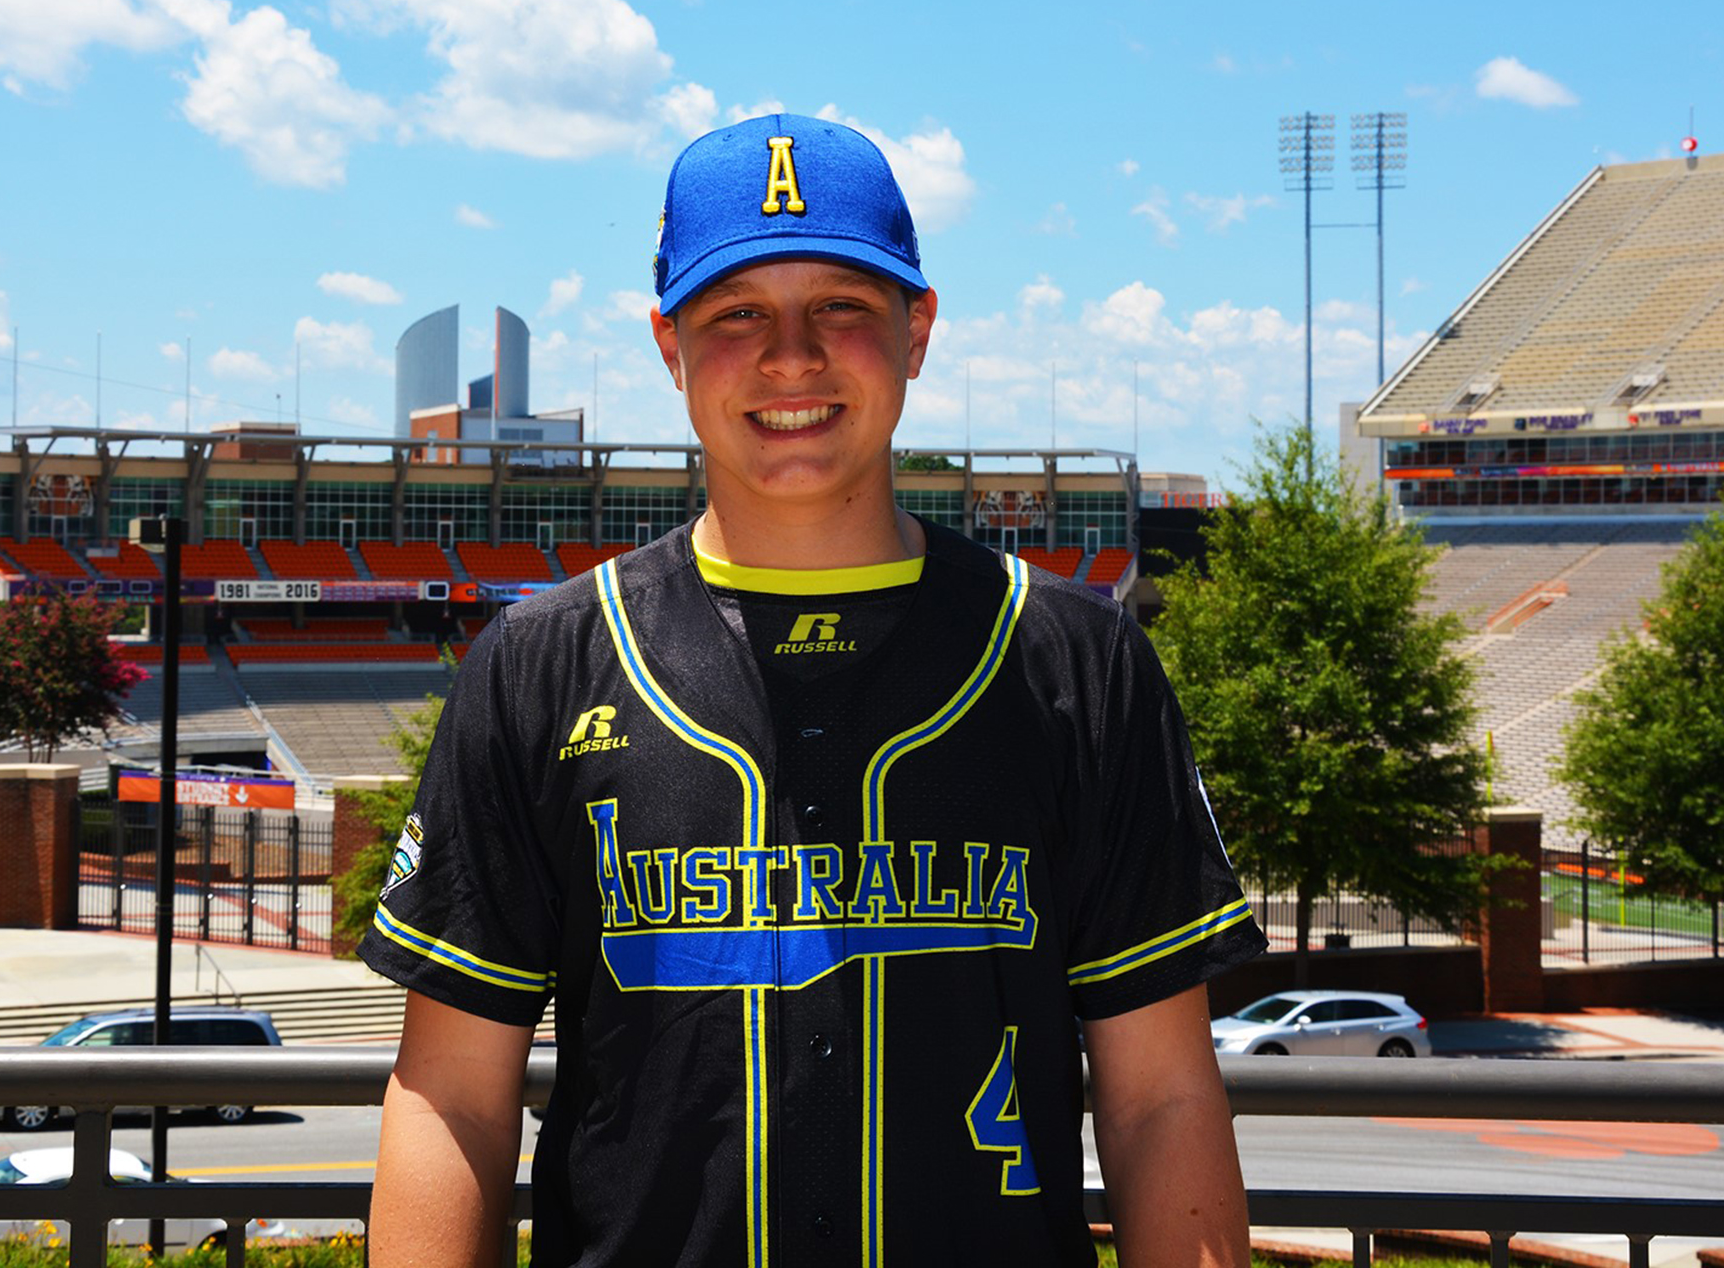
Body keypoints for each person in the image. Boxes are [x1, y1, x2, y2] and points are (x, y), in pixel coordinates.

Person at [362, 112, 1268, 1267]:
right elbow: (453, 1095)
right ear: (668, 344)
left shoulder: (1074, 659)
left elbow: (1160, 1101)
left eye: (841, 304)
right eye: (736, 312)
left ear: (916, 328)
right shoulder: (542, 662)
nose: (790, 356)